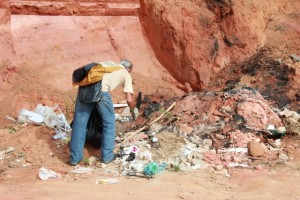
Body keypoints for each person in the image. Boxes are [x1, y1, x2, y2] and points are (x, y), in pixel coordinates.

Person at [69, 59, 138, 165]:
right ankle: (107, 157)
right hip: (101, 91)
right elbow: (129, 100)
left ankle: (74, 159)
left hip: (84, 89)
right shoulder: (125, 73)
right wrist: (133, 107)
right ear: (129, 69)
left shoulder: (108, 63)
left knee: (79, 124)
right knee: (109, 124)